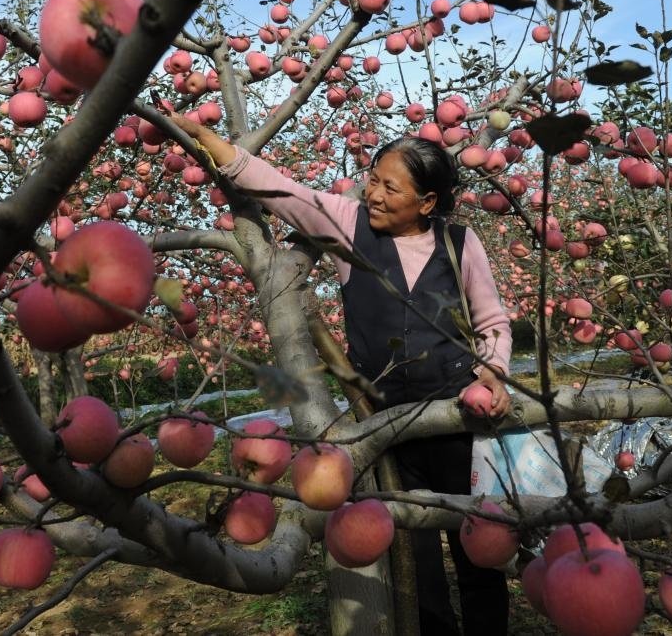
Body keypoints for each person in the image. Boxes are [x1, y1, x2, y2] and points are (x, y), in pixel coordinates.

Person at [169, 113, 513, 636]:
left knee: (478, 541)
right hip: (386, 423)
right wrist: (205, 138)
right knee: (415, 556)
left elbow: (490, 321)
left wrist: (493, 373)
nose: (372, 193)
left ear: (426, 202)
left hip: (456, 419)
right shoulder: (348, 224)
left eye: (389, 187)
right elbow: (279, 189)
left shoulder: (459, 243)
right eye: (373, 178)